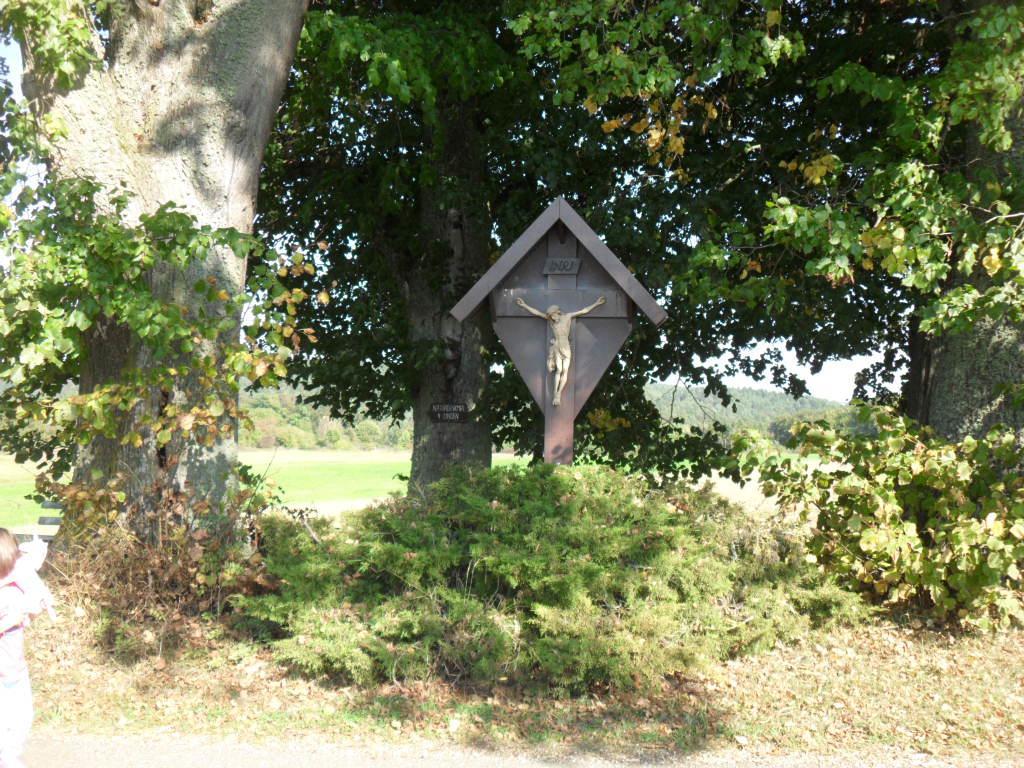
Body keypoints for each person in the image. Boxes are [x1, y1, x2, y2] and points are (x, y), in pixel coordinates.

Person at [0, 529, 54, 768]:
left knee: (22, 720)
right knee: (7, 732)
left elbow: (33, 604)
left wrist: (34, 607)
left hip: (15, 671)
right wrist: (9, 620)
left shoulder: (14, 586)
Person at [515, 295, 606, 405]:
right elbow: (537, 313)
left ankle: (559, 392)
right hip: (557, 347)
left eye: (553, 315)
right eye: (551, 317)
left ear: (557, 312)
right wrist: (524, 305)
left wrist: (596, 303)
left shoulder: (567, 317)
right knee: (559, 370)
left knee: (565, 371)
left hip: (566, 347)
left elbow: (583, 311)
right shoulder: (551, 322)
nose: (552, 318)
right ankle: (555, 395)